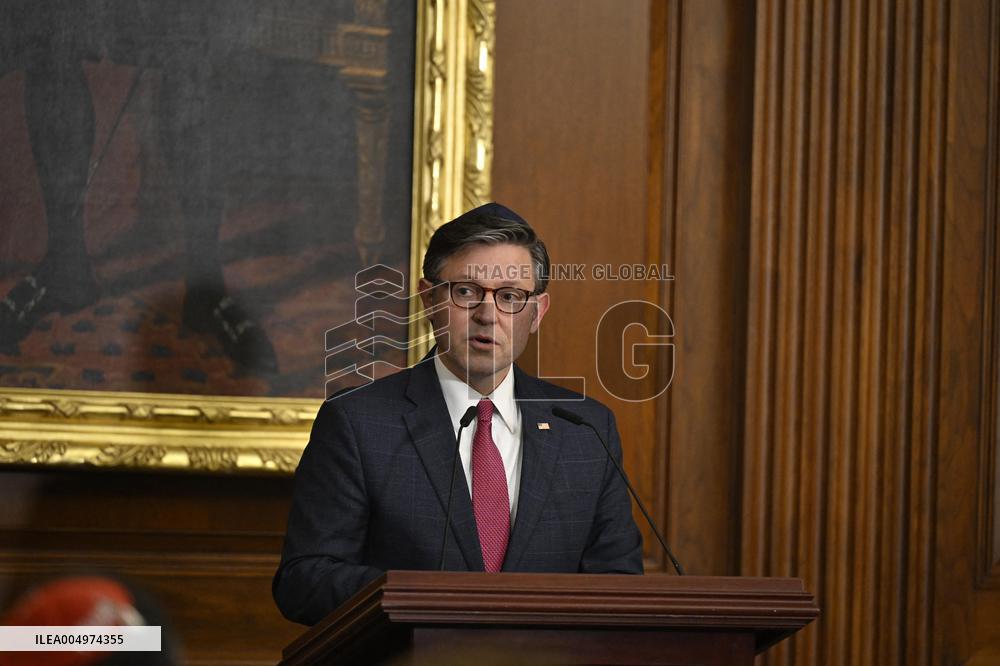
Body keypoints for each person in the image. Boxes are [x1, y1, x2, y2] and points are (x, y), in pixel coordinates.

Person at [272, 203, 643, 625]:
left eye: (510, 297)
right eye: (466, 292)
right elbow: (304, 581)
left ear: (537, 313)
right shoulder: (357, 423)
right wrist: (427, 600)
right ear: (428, 299)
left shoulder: (586, 429)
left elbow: (618, 582)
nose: (487, 315)